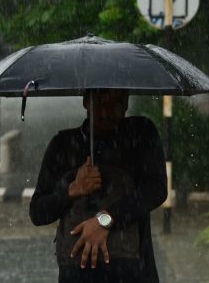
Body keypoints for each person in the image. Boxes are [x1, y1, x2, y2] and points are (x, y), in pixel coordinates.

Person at [29, 89, 167, 283]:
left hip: (133, 271)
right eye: (99, 102)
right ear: (86, 101)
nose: (106, 112)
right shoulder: (63, 145)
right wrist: (72, 190)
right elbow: (38, 212)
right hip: (77, 275)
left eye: (116, 103)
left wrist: (105, 220)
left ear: (127, 102)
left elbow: (156, 189)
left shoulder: (141, 134)